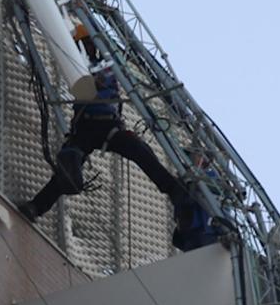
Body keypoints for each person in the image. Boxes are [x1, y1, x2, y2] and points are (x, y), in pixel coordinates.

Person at [17, 68, 187, 221]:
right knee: (68, 167)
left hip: (108, 126)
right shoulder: (79, 62)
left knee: (139, 149)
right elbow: (84, 84)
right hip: (85, 126)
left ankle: (172, 187)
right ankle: (36, 206)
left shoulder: (108, 68)